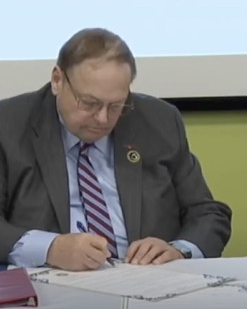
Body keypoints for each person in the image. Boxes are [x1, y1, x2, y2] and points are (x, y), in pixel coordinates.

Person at [0, 28, 232, 270]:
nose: (102, 118)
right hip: (50, 287)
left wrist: (179, 249)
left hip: (147, 284)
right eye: (89, 103)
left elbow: (208, 213)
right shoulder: (8, 125)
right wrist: (50, 248)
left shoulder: (159, 120)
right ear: (58, 80)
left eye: (116, 105)